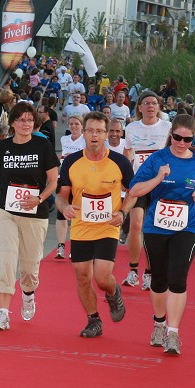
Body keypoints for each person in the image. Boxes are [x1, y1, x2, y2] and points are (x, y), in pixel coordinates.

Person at [0, 103, 59, 331]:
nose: (25, 124)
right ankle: (3, 313)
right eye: (21, 120)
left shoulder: (43, 146)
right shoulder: (2, 147)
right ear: (13, 123)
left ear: (34, 123)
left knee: (29, 268)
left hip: (34, 214)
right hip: (5, 211)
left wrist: (39, 199)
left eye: (29, 120)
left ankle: (28, 293)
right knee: (5, 259)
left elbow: (53, 180)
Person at [128, 114, 195, 356]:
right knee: (159, 279)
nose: (182, 143)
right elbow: (134, 189)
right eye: (177, 137)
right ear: (170, 134)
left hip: (187, 225)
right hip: (157, 225)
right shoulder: (158, 159)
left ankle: (173, 333)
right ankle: (159, 323)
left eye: (187, 139)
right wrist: (158, 177)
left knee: (178, 278)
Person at [56, 112, 135, 336]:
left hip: (107, 225)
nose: (94, 136)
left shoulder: (119, 162)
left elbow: (133, 192)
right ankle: (93, 320)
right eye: (90, 130)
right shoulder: (72, 161)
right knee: (82, 275)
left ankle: (113, 292)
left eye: (99, 131)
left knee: (102, 278)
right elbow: (61, 196)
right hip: (81, 226)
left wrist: (123, 211)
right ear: (83, 132)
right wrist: (64, 207)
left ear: (106, 134)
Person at [121, 91, 171, 289]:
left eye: (154, 103)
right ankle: (133, 270)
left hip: (161, 184)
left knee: (153, 229)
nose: (150, 106)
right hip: (139, 183)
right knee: (135, 225)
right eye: (146, 103)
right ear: (139, 107)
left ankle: (149, 273)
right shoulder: (132, 127)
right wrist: (126, 175)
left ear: (159, 107)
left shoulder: (167, 127)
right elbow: (127, 152)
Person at [56, 115, 87, 259]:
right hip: (64, 178)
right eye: (71, 124)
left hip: (80, 179)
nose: (74, 126)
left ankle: (75, 245)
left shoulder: (85, 140)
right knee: (61, 213)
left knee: (77, 214)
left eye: (77, 124)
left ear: (82, 126)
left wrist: (73, 157)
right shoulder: (64, 139)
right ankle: (60, 246)